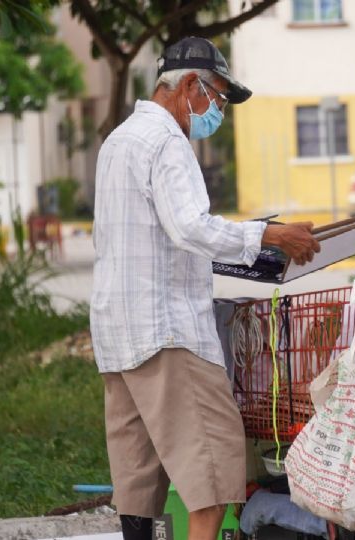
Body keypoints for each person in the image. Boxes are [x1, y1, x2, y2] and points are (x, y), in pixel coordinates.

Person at [90, 37, 320, 540]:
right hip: (168, 332)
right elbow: (190, 228)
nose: (217, 111)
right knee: (214, 479)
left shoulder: (119, 141)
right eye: (217, 98)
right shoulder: (168, 142)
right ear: (190, 85)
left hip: (117, 333)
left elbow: (127, 236)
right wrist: (269, 234)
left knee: (137, 482)